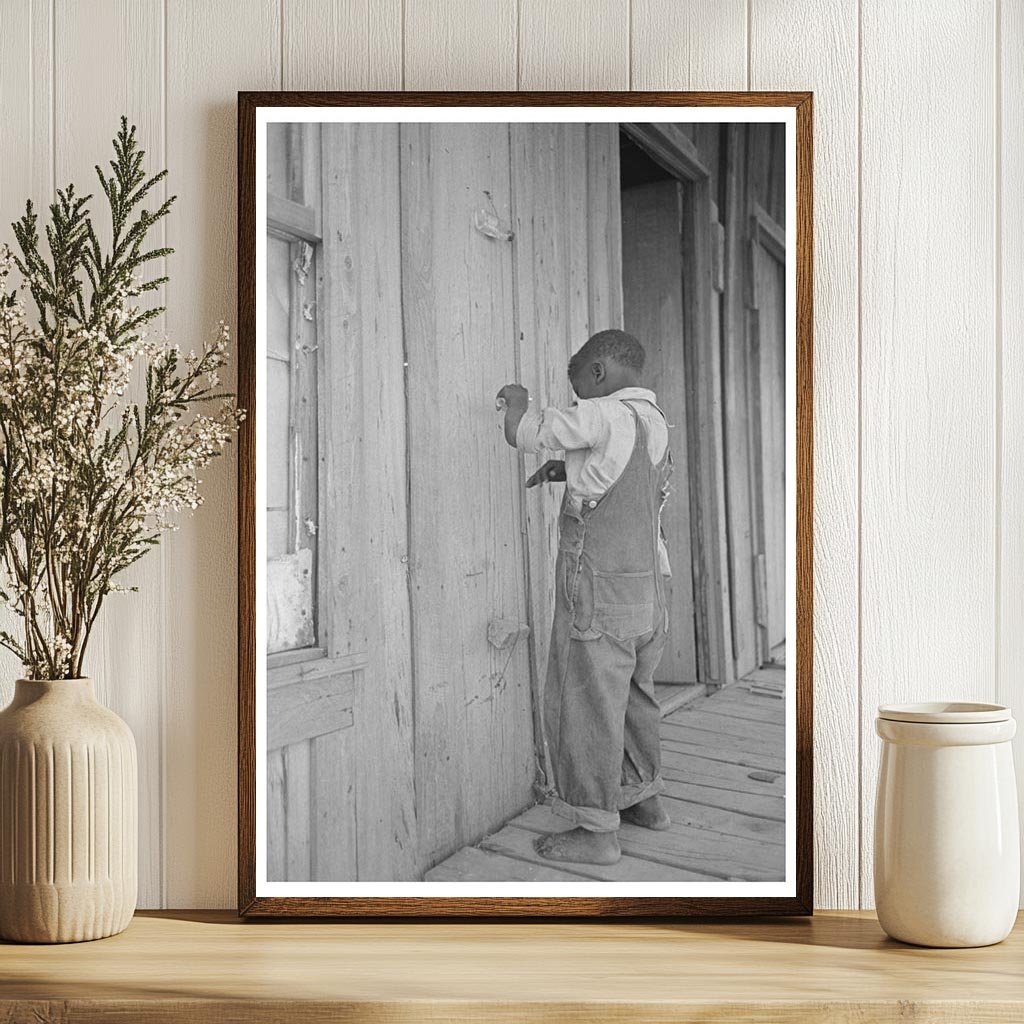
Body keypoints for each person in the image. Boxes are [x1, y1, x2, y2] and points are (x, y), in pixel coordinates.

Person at [496, 329, 673, 866]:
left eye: (576, 384)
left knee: (587, 702)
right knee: (636, 697)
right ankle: (646, 800)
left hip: (599, 591)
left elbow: (525, 433)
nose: (576, 397)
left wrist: (516, 402)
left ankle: (598, 831)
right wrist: (567, 470)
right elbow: (623, 477)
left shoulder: (601, 413)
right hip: (650, 593)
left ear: (596, 374)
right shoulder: (655, 422)